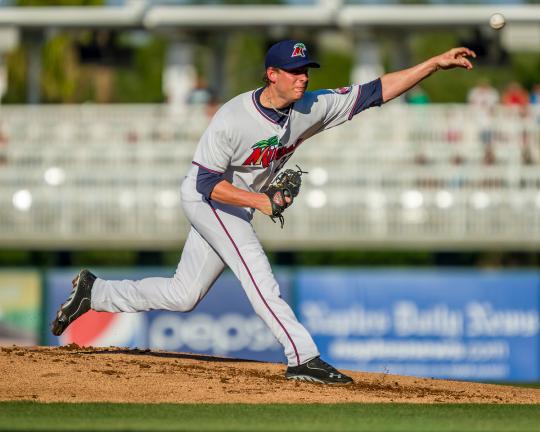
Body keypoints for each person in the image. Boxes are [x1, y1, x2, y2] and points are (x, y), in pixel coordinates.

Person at [51, 40, 475, 385]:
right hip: (208, 201)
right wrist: (261, 202)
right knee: (258, 273)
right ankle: (303, 357)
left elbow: (375, 91)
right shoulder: (233, 118)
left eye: (306, 69)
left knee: (184, 296)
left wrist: (433, 65)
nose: (303, 77)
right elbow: (204, 183)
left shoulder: (311, 105)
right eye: (294, 71)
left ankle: (96, 292)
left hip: (235, 204)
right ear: (272, 74)